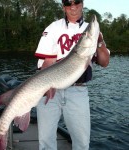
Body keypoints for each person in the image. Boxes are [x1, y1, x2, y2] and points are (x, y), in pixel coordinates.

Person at [34, 0, 110, 149]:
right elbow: (48, 62)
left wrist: (100, 43)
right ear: (63, 6)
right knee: (46, 141)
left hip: (78, 90)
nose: (73, 6)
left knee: (81, 143)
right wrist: (42, 86)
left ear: (82, 4)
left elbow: (104, 62)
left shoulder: (91, 32)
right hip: (49, 88)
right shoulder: (53, 28)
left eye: (77, 2)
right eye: (68, 3)